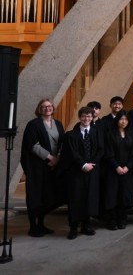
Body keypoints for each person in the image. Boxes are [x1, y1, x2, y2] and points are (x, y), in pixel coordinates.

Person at [20, 99, 65, 237]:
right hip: (38, 166)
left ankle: (41, 224)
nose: (48, 109)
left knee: (47, 196)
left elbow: (63, 142)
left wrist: (57, 157)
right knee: (36, 195)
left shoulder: (58, 123)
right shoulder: (33, 124)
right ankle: (33, 227)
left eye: (50, 106)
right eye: (44, 107)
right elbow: (33, 145)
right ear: (39, 109)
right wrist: (50, 157)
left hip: (52, 166)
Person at [65, 106, 103, 239]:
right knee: (76, 199)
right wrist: (83, 164)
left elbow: (101, 149)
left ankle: (86, 225)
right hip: (77, 172)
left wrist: (92, 164)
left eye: (89, 116)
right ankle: (73, 228)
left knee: (89, 198)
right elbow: (71, 153)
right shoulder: (71, 135)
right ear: (80, 117)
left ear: (92, 118)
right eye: (84, 116)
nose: (86, 119)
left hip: (92, 171)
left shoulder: (96, 132)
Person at [102, 111, 133, 230]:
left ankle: (122, 219)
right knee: (112, 195)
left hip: (127, 171)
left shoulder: (131, 134)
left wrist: (127, 167)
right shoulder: (110, 134)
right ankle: (112, 220)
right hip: (113, 170)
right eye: (121, 119)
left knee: (124, 195)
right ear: (117, 120)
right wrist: (117, 167)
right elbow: (108, 153)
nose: (123, 122)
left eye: (126, 119)